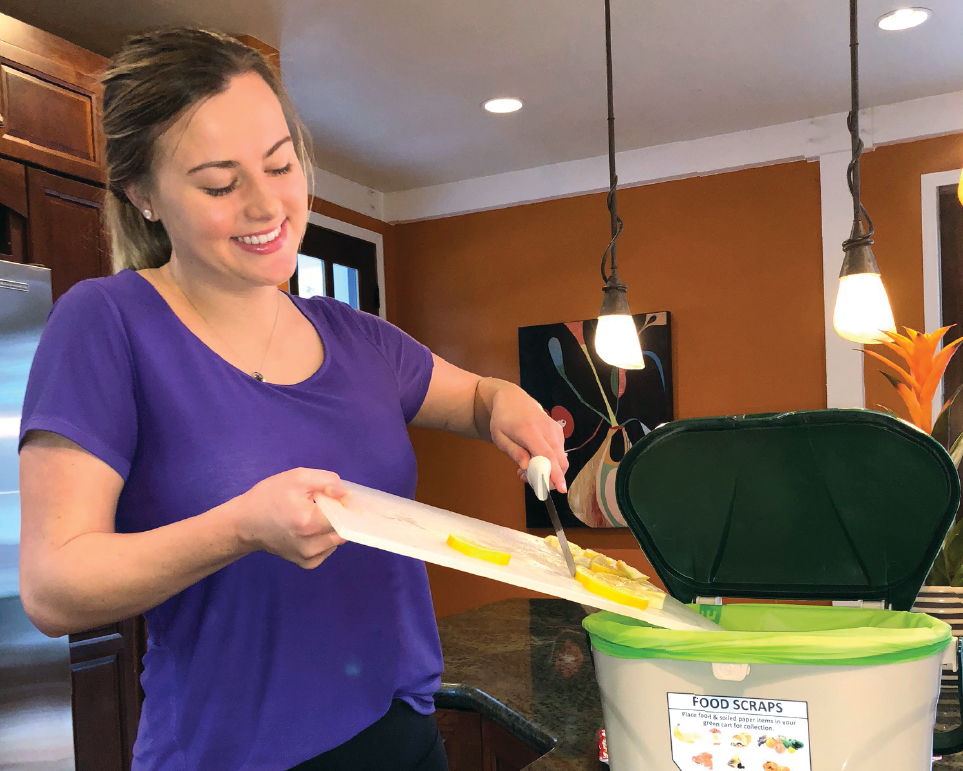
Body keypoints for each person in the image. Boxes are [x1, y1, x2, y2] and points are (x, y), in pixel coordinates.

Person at [17, 29, 567, 771]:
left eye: (281, 164)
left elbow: (476, 398)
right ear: (142, 195)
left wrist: (508, 403)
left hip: (398, 734)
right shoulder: (107, 323)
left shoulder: (355, 336)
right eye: (220, 183)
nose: (267, 203)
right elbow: (54, 587)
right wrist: (240, 526)